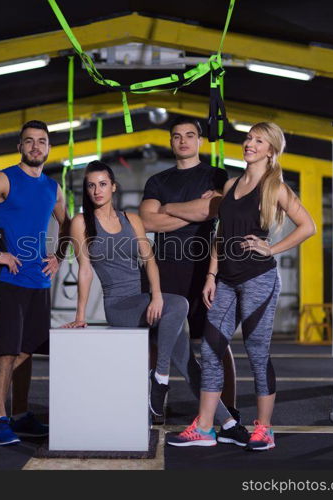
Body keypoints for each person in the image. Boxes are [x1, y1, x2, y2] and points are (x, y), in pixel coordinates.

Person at [63, 161, 245, 440]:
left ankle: (229, 424)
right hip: (119, 306)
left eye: (102, 184)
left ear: (113, 187)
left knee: (188, 362)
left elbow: (149, 262)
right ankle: (160, 378)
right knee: (180, 304)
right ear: (86, 190)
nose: (97, 190)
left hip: (147, 300)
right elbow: (85, 270)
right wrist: (80, 315)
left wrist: (157, 297)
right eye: (91, 185)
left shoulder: (131, 219)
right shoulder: (81, 222)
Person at [165, 122, 316, 450]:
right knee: (210, 348)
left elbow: (308, 226)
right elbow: (221, 233)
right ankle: (204, 427)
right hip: (227, 281)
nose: (249, 143)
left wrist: (271, 248)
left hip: (258, 278)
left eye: (258, 140)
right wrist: (210, 275)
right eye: (249, 138)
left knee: (257, 352)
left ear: (270, 150)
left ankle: (264, 428)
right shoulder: (232, 185)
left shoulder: (275, 187)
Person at [0, 120, 70, 446]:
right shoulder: (4, 178)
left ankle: (21, 414)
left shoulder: (53, 187)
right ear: (20, 146)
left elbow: (68, 225)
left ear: (49, 147)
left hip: (39, 280)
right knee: (7, 349)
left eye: (42, 141)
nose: (36, 147)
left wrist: (59, 257)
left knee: (29, 349)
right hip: (10, 278)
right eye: (29, 141)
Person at [140, 117, 246, 440]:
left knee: (215, 342)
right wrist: (191, 209)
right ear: (170, 142)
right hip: (166, 267)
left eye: (189, 135)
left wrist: (169, 209)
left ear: (199, 140)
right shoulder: (157, 180)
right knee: (160, 341)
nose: (183, 141)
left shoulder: (216, 174)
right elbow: (147, 221)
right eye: (176, 136)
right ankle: (155, 406)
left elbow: (212, 211)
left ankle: (226, 408)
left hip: (205, 270)